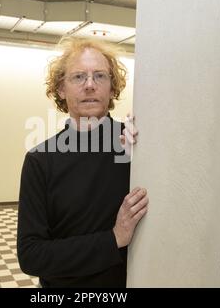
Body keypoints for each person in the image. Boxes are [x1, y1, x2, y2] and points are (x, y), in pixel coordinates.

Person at [17, 37, 149, 288]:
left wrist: (143, 158)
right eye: (78, 77)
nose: (90, 85)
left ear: (112, 88)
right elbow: (31, 256)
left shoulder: (136, 144)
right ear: (60, 89)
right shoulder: (40, 161)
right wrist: (112, 239)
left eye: (100, 76)